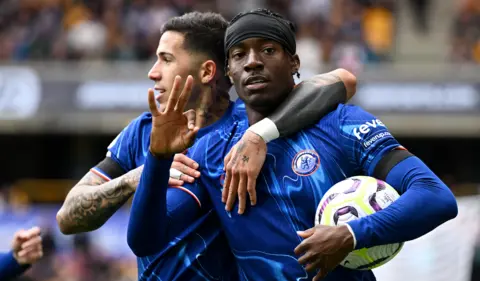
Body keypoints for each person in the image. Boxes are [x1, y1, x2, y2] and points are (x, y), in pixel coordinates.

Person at [141, 8, 458, 281]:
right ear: (228, 71)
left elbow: (435, 196)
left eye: (267, 50)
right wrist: (157, 159)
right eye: (239, 55)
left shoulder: (342, 124)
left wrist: (349, 235)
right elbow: (146, 240)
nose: (252, 62)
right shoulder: (212, 150)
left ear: (294, 63)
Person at [57, 11, 357, 281]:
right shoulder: (144, 130)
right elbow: (67, 218)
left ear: (207, 71)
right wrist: (140, 175)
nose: (153, 72)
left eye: (166, 59)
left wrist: (259, 135)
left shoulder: (250, 122)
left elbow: (343, 80)